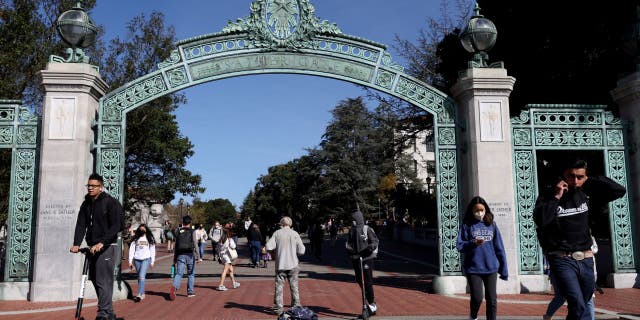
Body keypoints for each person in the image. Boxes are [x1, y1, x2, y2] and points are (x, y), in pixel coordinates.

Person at [534, 159, 626, 320]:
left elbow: (619, 190)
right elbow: (541, 220)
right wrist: (556, 197)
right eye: (571, 176)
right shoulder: (549, 195)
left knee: (582, 303)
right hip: (562, 259)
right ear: (563, 176)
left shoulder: (588, 194)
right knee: (576, 302)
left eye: (580, 177)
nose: (575, 181)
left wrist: (591, 179)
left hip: (586, 258)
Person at [70, 173, 124, 320]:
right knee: (95, 279)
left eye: (94, 186)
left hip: (107, 246)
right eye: (89, 185)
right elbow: (81, 224)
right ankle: (109, 313)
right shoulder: (86, 203)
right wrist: (76, 243)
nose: (90, 188)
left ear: (101, 187)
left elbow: (117, 225)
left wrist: (102, 242)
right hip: (92, 246)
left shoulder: (110, 202)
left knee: (103, 280)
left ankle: (102, 313)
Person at [456, 196, 508, 320]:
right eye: (476, 210)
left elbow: (499, 248)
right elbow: (459, 246)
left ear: (486, 210)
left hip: (491, 267)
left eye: (482, 209)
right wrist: (473, 243)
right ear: (472, 210)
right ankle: (473, 316)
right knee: (477, 298)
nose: (479, 212)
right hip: (474, 268)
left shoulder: (492, 225)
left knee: (492, 300)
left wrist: (504, 269)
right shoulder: (467, 225)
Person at [266, 216, 305, 315]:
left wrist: (275, 251)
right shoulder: (295, 234)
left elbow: (268, 246)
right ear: (290, 224)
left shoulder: (277, 233)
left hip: (281, 265)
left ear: (281, 224)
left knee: (279, 287)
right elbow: (302, 250)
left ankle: (278, 308)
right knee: (294, 287)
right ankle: (296, 306)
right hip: (293, 264)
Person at [345, 210, 380, 316]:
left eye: (354, 220)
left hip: (367, 258)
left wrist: (368, 249)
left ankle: (372, 304)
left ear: (358, 219)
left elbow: (375, 241)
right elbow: (348, 244)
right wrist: (351, 251)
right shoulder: (352, 231)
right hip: (356, 259)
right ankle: (370, 304)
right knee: (360, 281)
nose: (353, 222)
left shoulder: (366, 229)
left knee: (368, 282)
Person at [169, 215, 200, 300]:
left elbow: (176, 245)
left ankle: (174, 287)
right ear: (190, 222)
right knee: (191, 274)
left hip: (180, 254)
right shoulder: (192, 231)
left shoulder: (178, 230)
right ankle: (190, 292)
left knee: (179, 273)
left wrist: (175, 258)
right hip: (190, 255)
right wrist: (199, 256)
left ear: (182, 222)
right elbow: (195, 243)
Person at [128, 224, 156, 302]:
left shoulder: (149, 238)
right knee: (139, 277)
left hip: (146, 259)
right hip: (137, 259)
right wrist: (130, 261)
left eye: (143, 229)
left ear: (146, 230)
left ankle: (139, 294)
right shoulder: (135, 239)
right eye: (141, 229)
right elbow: (132, 250)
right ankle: (142, 293)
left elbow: (152, 250)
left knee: (141, 276)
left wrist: (152, 261)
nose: (142, 231)